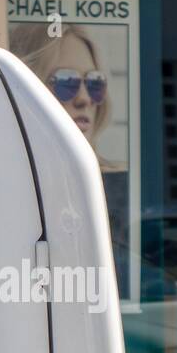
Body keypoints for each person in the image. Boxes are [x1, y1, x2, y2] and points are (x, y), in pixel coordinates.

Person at [10, 22, 130, 294]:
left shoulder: (116, 183)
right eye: (67, 82)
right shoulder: (2, 179)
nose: (84, 99)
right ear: (28, 88)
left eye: (95, 83)